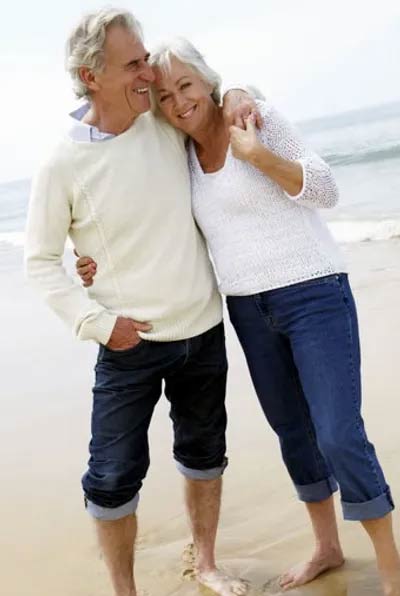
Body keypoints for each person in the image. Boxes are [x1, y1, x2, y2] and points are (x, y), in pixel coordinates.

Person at [78, 37, 400, 595]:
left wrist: (258, 155)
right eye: (166, 94)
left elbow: (326, 188)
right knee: (294, 435)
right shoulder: (177, 156)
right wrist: (91, 263)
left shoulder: (255, 119)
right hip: (247, 308)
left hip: (314, 293)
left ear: (208, 83)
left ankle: (391, 564)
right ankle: (326, 546)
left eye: (187, 85)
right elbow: (143, 219)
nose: (179, 101)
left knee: (339, 435)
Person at [24, 9, 260, 596]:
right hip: (128, 343)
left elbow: (210, 93)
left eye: (145, 58)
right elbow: (40, 260)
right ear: (91, 75)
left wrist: (235, 92)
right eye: (133, 63)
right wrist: (97, 323)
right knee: (110, 479)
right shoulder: (62, 164)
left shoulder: (163, 120)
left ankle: (205, 563)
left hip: (203, 329)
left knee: (206, 454)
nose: (148, 72)